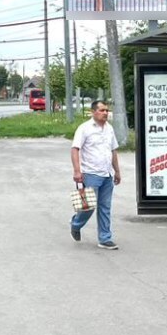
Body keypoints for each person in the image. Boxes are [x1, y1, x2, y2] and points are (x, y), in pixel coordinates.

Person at [70, 100, 122, 249]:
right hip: (91, 173)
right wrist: (77, 170)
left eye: (107, 110)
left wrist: (117, 171)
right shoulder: (84, 128)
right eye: (102, 110)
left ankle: (105, 238)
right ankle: (75, 223)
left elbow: (113, 151)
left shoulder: (109, 129)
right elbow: (75, 149)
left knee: (105, 207)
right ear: (93, 112)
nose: (105, 113)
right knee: (88, 207)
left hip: (107, 174)